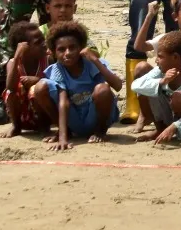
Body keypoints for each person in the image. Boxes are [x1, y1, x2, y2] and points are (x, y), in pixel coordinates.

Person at [35, 22, 122, 150]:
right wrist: (63, 138)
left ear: (81, 47)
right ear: (53, 52)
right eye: (61, 49)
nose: (67, 53)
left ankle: (100, 131)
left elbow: (118, 86)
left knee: (102, 89)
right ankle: (65, 131)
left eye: (72, 47)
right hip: (75, 120)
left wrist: (95, 60)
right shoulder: (57, 69)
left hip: (95, 116)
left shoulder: (91, 63)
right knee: (40, 87)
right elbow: (63, 102)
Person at [131, 31, 181, 143]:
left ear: (175, 57)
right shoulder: (159, 71)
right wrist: (161, 81)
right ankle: (160, 130)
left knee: (179, 97)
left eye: (160, 56)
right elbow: (135, 85)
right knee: (152, 88)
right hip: (167, 116)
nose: (156, 60)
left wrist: (175, 126)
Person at [2, 21, 49, 137]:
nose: (44, 44)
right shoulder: (13, 63)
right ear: (24, 47)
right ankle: (16, 126)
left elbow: (56, 85)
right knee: (11, 91)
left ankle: (43, 126)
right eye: (38, 42)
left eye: (43, 40)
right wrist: (17, 57)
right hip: (23, 115)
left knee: (37, 89)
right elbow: (10, 87)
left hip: (45, 115)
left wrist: (38, 80)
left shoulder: (48, 60)